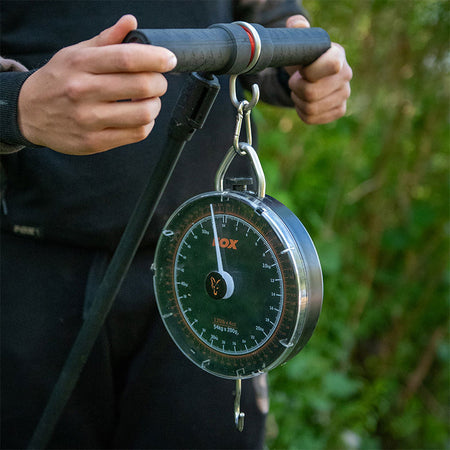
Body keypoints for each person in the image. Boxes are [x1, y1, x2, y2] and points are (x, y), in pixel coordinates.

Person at [0, 1, 352, 448]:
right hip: (28, 272)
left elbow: (269, 20)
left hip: (210, 270)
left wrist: (300, 66)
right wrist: (15, 105)